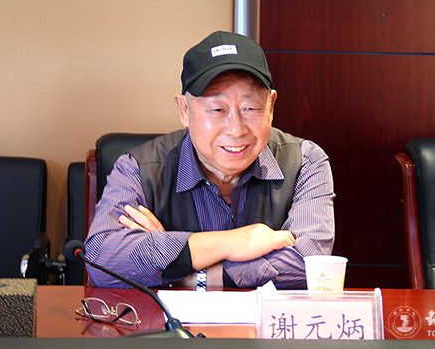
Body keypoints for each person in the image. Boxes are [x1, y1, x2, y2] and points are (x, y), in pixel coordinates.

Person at [85, 31, 335, 289]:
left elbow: (311, 266)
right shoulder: (139, 168)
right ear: (184, 109)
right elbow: (102, 261)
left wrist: (183, 270)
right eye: (218, 110)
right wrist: (237, 241)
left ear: (271, 105)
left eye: (250, 108)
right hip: (168, 318)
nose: (236, 130)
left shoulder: (306, 162)